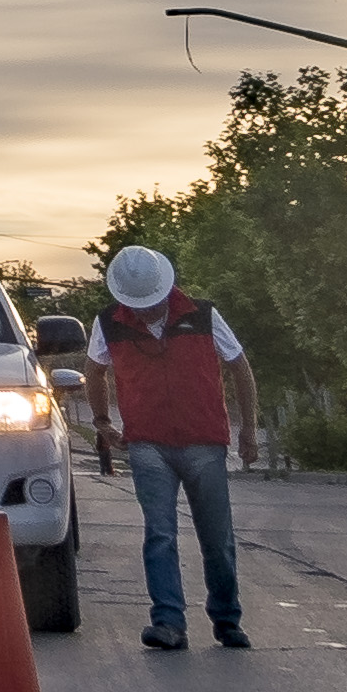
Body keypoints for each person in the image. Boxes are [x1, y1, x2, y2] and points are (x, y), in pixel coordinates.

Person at [93, 241, 259, 651]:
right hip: (147, 443)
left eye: (150, 302)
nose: (145, 310)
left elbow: (241, 368)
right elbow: (93, 371)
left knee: (217, 537)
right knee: (160, 533)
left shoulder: (202, 315)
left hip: (204, 441)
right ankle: (168, 622)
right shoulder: (109, 322)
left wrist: (249, 431)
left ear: (166, 289)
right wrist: (101, 422)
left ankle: (226, 618)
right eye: (138, 303)